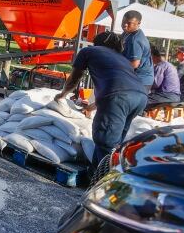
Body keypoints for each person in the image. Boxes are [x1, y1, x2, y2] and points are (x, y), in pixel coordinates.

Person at [55, 31, 148, 171]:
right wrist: (91, 107)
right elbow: (115, 88)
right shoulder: (122, 59)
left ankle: (102, 181)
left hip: (118, 97)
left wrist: (62, 95)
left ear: (97, 43)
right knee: (116, 143)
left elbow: (74, 79)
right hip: (140, 97)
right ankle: (95, 173)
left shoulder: (88, 51)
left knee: (106, 141)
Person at [120, 10, 154, 91]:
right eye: (124, 21)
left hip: (141, 81)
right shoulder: (126, 33)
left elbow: (134, 64)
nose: (125, 25)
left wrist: (116, 69)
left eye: (129, 23)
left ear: (138, 24)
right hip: (135, 78)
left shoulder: (135, 40)